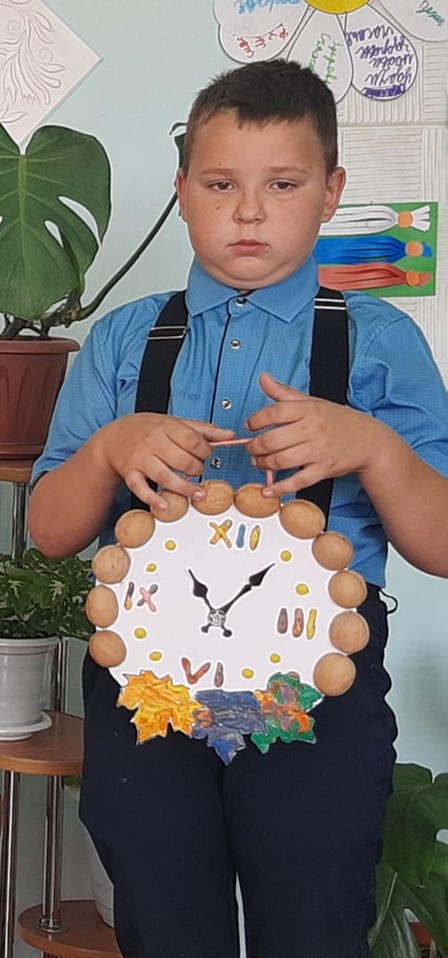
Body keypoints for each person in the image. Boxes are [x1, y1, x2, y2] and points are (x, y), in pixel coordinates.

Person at [29, 59, 448, 958]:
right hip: (146, 685)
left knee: (313, 921)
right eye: (221, 185)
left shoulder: (381, 342)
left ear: (331, 192)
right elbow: (51, 532)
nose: (249, 211)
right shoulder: (123, 339)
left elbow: (442, 545)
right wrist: (106, 451)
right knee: (165, 921)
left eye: (283, 185)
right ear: (183, 190)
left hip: (321, 684)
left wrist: (373, 448)